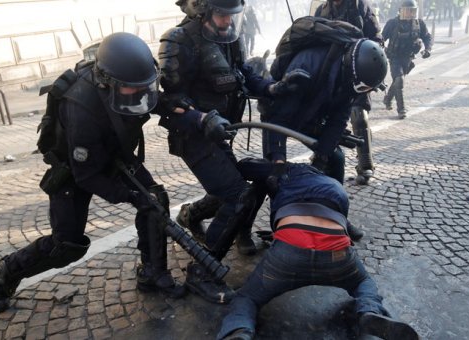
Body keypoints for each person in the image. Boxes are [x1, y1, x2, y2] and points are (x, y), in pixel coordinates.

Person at [0, 32, 186, 313]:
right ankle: (5, 272)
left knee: (154, 200)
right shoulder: (81, 108)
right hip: (73, 170)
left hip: (112, 154)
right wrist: (129, 195)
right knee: (67, 245)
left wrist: (182, 109)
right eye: (131, 88)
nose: (137, 92)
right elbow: (87, 176)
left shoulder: (127, 84)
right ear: (108, 82)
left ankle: (152, 272)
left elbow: (148, 97)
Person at [158, 0, 307, 304]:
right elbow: (164, 101)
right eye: (222, 14)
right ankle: (203, 270)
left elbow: (243, 75)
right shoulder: (179, 40)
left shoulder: (230, 38)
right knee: (238, 194)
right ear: (203, 10)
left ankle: (190, 215)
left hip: (220, 133)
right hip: (193, 136)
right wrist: (201, 118)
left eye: (232, 15)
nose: (228, 21)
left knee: (231, 186)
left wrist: (272, 88)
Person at [216, 160, 419, 340]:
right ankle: (368, 310)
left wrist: (274, 166)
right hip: (337, 254)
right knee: (363, 282)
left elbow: (243, 166)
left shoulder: (287, 170)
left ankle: (239, 330)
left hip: (288, 250)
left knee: (247, 297)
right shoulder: (334, 186)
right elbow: (344, 227)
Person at [260, 36, 387, 241]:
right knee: (273, 175)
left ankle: (337, 219)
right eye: (364, 88)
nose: (363, 92)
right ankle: (278, 230)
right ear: (354, 72)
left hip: (312, 115)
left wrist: (322, 156)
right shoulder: (307, 66)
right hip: (279, 115)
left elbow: (338, 119)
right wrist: (277, 158)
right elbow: (278, 117)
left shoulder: (349, 79)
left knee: (335, 158)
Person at [315, 0, 383, 185]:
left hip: (357, 70)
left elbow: (376, 40)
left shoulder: (361, 7)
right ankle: (323, 159)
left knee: (359, 115)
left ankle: (365, 164)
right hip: (332, 73)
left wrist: (371, 70)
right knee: (325, 119)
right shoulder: (322, 10)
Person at [382, 0, 432, 119]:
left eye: (412, 11)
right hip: (395, 57)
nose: (410, 14)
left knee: (398, 80)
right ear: (401, 11)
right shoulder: (392, 23)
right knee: (399, 80)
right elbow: (381, 38)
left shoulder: (419, 23)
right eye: (407, 11)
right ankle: (401, 109)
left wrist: (428, 49)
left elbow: (427, 37)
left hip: (408, 58)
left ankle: (387, 99)